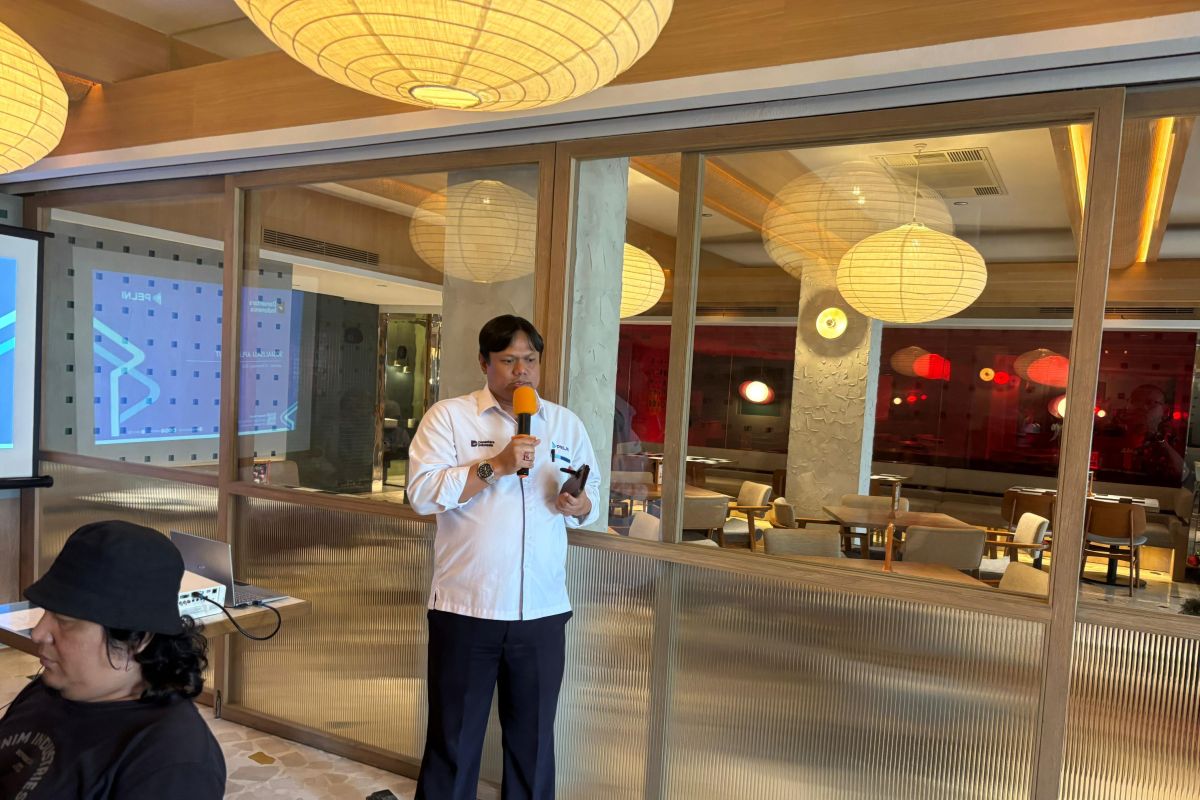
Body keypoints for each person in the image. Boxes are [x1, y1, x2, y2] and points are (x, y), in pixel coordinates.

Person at [407, 315, 601, 800]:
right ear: (484, 362)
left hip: (541, 611)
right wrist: (496, 464)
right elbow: (423, 494)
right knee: (454, 741)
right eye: (508, 360)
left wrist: (579, 504)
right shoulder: (449, 417)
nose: (521, 371)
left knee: (533, 745)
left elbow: (593, 496)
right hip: (466, 608)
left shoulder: (565, 423)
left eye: (530, 360)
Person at [0, 520, 226, 799]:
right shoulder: (51, 689)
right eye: (46, 612)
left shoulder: (172, 764)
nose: (38, 633)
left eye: (65, 621)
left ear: (137, 639)